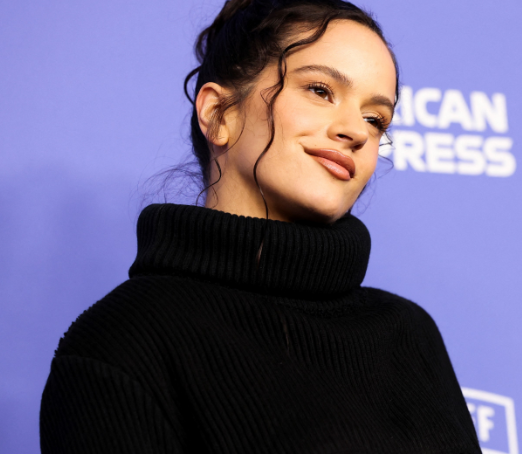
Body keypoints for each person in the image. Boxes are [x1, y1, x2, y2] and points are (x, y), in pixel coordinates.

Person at [39, 0, 481, 452]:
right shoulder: (123, 340)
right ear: (218, 114)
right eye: (320, 90)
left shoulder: (408, 332)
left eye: (376, 118)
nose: (356, 131)